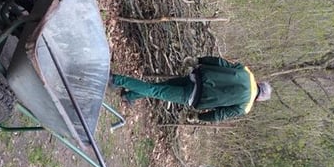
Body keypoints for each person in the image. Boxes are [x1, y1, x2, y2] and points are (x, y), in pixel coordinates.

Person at [110, 56, 272, 122]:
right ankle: (116, 80)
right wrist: (199, 117)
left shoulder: (246, 72)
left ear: (259, 83)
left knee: (161, 87)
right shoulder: (245, 107)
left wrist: (198, 60)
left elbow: (221, 62)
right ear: (259, 99)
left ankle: (129, 96)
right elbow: (220, 114)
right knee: (155, 91)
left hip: (197, 77)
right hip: (194, 96)